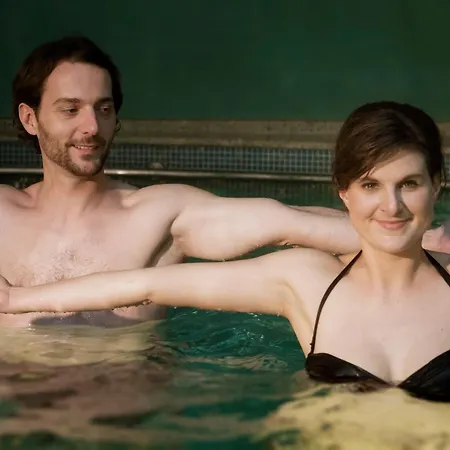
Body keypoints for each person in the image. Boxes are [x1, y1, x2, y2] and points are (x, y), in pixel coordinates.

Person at [3, 101, 450, 401]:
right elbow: (144, 284)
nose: (391, 206)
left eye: (409, 184)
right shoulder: (306, 281)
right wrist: (15, 299)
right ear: (344, 192)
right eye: (370, 186)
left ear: (437, 186)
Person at [0, 34, 367, 328]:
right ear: (30, 119)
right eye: (70, 109)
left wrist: (399, 236)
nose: (92, 126)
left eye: (104, 109)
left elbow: (288, 222)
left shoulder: (157, 216)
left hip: (116, 398)